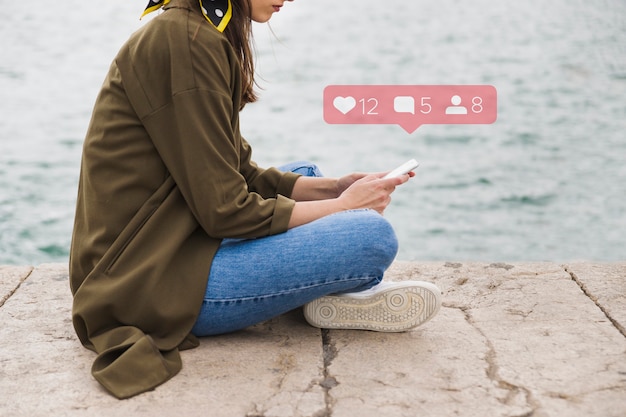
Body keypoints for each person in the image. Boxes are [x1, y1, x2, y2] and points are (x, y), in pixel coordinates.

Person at [69, 0, 441, 399]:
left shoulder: (192, 30)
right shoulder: (188, 43)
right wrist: (346, 206)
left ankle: (327, 286)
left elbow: (239, 173)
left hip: (164, 242)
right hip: (145, 283)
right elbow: (224, 212)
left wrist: (334, 188)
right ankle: (339, 288)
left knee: (305, 173)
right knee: (370, 236)